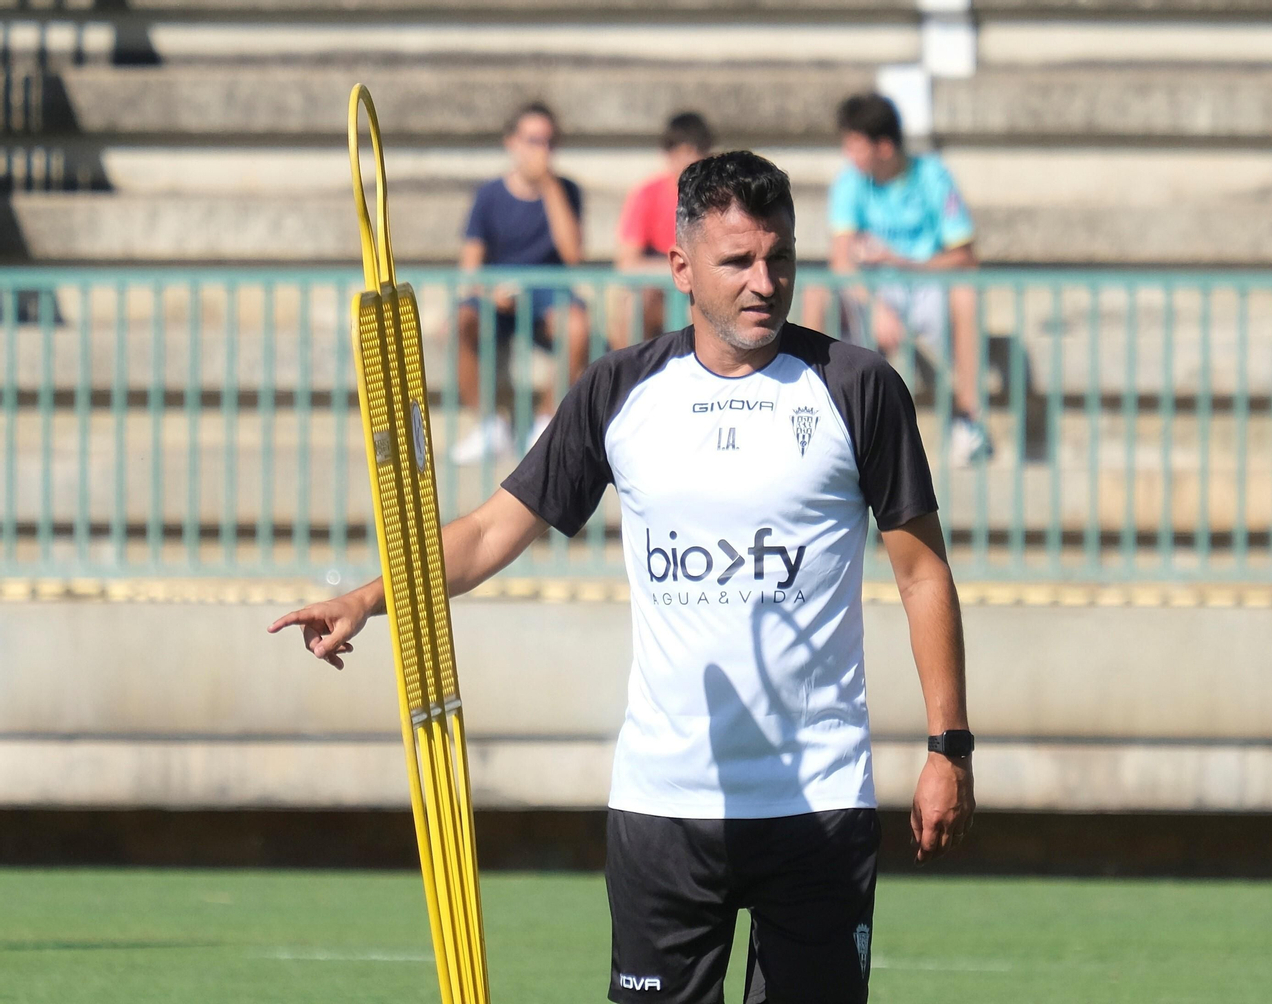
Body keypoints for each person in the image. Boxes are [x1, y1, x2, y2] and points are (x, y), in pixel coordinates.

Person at [269, 151, 976, 1004]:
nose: (765, 281)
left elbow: (923, 577)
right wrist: (369, 597)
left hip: (819, 803)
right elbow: (494, 529)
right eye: (739, 261)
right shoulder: (620, 388)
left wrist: (949, 747)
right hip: (662, 805)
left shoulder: (858, 387)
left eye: (780, 257)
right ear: (680, 267)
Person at [802, 93, 989, 466]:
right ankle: (809, 405)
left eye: (855, 146)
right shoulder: (851, 182)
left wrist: (903, 262)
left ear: (884, 147)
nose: (848, 155)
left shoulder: (932, 175)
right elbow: (841, 260)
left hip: (925, 284)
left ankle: (970, 420)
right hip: (871, 290)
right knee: (817, 287)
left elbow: (965, 257)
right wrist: (877, 309)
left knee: (966, 291)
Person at [450, 101, 590, 465]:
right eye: (532, 141)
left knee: (577, 326)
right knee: (462, 320)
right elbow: (469, 270)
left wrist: (548, 187)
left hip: (549, 291)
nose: (540, 151)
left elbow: (573, 254)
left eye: (547, 142)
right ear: (511, 142)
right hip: (499, 291)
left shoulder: (566, 191)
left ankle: (545, 425)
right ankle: (488, 424)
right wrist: (488, 293)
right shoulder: (489, 195)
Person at [610, 112, 715, 345]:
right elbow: (626, 263)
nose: (688, 161)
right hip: (658, 295)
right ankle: (630, 377)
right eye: (681, 152)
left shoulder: (719, 199)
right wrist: (680, 272)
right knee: (634, 306)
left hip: (702, 293)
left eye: (695, 152)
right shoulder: (647, 194)